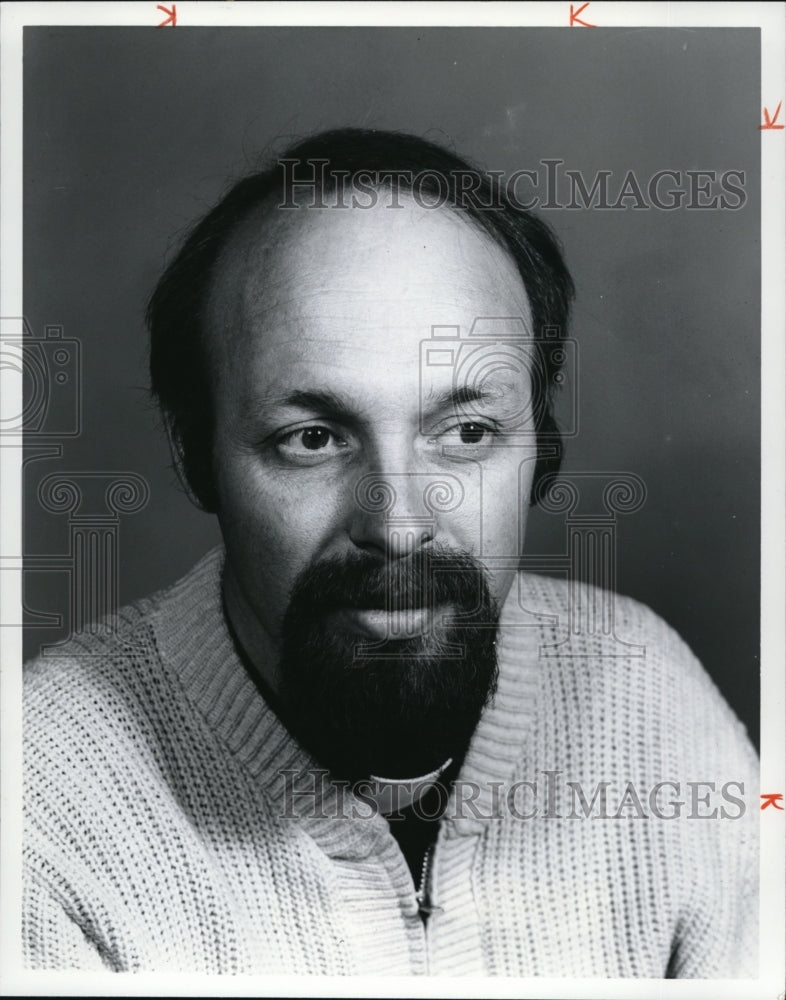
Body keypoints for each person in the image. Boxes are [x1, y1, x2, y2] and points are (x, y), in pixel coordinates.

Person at [23, 128, 758, 977]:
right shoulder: (37, 807)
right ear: (198, 458)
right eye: (312, 439)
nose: (399, 524)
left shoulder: (648, 691)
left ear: (539, 450)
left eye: (467, 433)